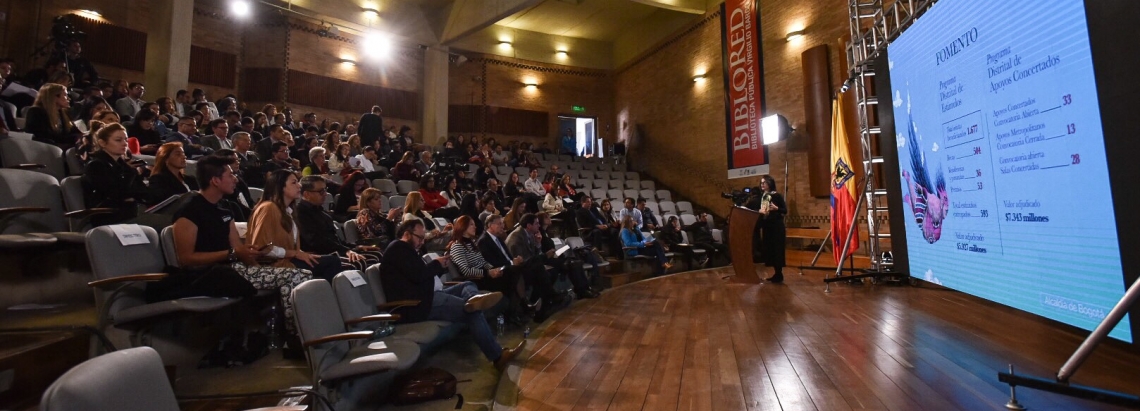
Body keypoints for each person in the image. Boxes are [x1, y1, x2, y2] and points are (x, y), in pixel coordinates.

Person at [164, 155, 311, 334]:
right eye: (230, 175)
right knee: (297, 276)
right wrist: (232, 253)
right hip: (208, 274)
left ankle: (292, 335)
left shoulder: (225, 209)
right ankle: (297, 335)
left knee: (300, 274)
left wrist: (255, 261)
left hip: (235, 269)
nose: (236, 179)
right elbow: (186, 259)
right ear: (215, 181)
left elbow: (239, 251)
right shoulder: (189, 210)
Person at [380, 219, 523, 371]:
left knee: (467, 285)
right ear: (407, 234)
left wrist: (439, 266)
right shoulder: (398, 249)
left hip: (427, 296)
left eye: (423, 238)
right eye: (419, 237)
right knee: (472, 312)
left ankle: (474, 298)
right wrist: (437, 264)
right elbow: (419, 276)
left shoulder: (406, 250)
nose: (422, 242)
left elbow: (420, 276)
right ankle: (497, 357)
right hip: (416, 305)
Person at [246, 170, 345, 281]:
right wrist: (295, 253)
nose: (299, 186)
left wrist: (302, 254)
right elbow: (260, 247)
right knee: (332, 262)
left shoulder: (289, 211)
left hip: (288, 260)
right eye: (294, 183)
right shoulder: (268, 208)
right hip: (272, 265)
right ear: (280, 187)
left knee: (333, 260)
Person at [295, 175, 382, 271]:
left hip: (334, 250)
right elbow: (316, 242)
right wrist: (346, 251)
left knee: (377, 254)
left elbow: (335, 240)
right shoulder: (300, 213)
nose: (325, 193)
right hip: (321, 254)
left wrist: (356, 247)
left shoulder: (322, 212)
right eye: (321, 191)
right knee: (357, 263)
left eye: (325, 189)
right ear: (307, 194)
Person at [507, 213, 596, 303]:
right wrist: (545, 255)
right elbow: (525, 260)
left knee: (571, 262)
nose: (539, 225)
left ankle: (583, 289)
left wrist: (538, 243)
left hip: (536, 262)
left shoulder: (530, 233)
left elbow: (534, 255)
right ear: (529, 225)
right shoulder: (517, 237)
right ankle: (549, 297)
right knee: (554, 268)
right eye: (536, 223)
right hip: (522, 268)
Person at [80, 122, 149, 226]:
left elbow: (142, 192)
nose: (125, 143)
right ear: (102, 143)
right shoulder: (95, 166)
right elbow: (115, 194)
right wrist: (130, 175)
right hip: (111, 218)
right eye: (118, 140)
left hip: (131, 213)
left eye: (126, 139)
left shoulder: (124, 166)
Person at [26, 83, 79, 149]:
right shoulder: (36, 112)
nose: (69, 99)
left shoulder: (62, 112)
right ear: (54, 97)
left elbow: (73, 131)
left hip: (61, 147)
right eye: (65, 95)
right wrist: (73, 138)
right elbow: (45, 137)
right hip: (44, 149)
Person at [757, 175, 787, 283]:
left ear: (770, 183)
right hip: (767, 226)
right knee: (770, 250)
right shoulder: (763, 196)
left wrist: (776, 208)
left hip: (776, 227)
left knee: (777, 250)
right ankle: (776, 274)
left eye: (764, 182)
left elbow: (784, 210)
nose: (762, 185)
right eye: (761, 183)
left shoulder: (777, 196)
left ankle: (779, 274)